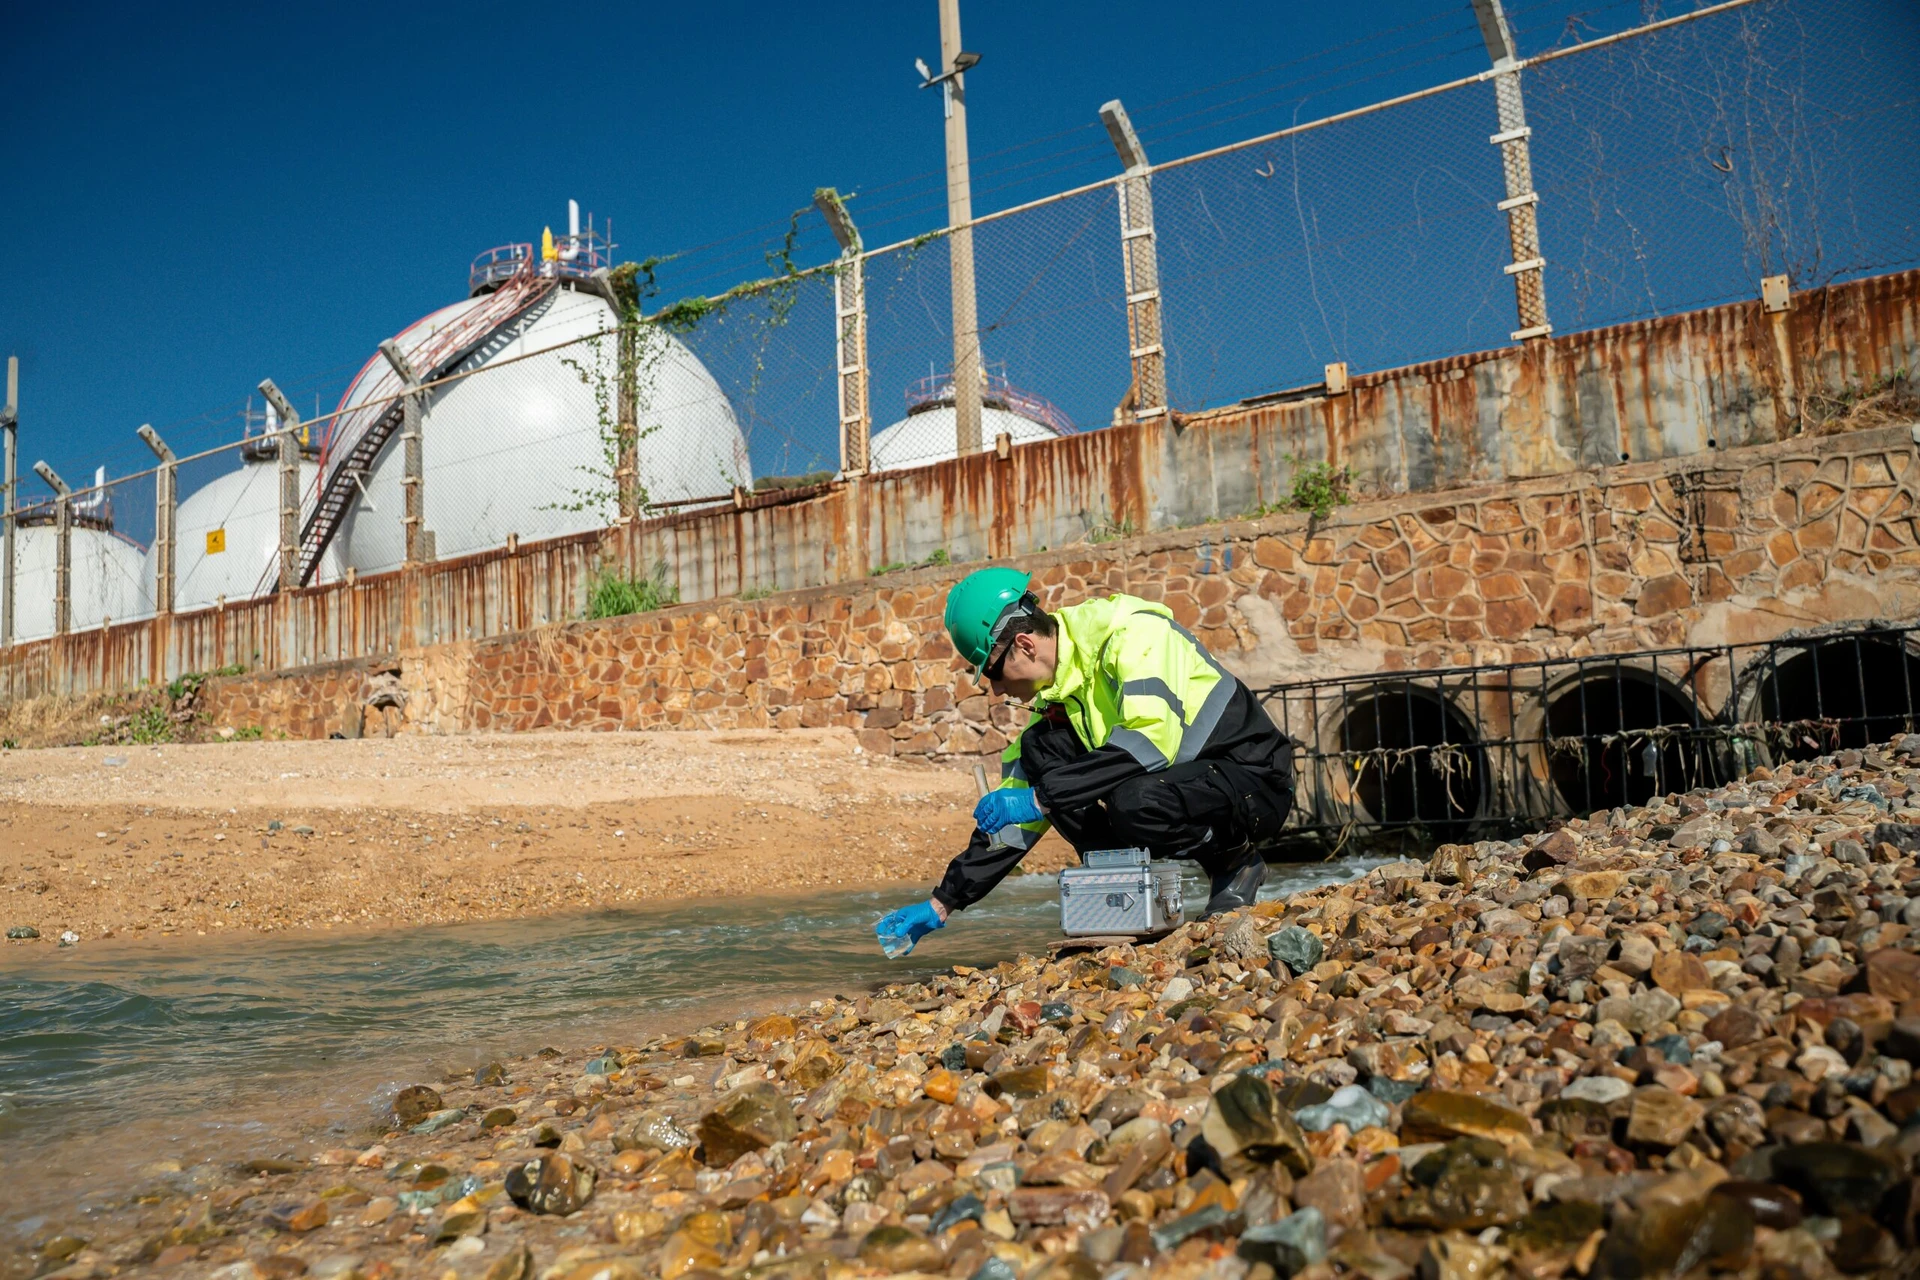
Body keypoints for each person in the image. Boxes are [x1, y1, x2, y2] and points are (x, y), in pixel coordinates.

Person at [875, 567, 1295, 955]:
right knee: (1040, 751)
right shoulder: (1062, 696)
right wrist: (943, 901)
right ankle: (1118, 894)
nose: (997, 690)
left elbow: (1150, 742)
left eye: (993, 672)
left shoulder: (1133, 635)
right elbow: (1013, 827)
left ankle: (1235, 862)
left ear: (1023, 644)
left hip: (1254, 780)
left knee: (1134, 800)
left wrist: (1041, 799)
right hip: (1183, 784)